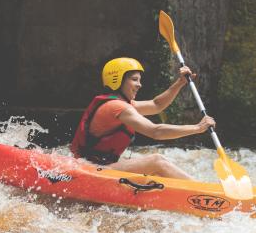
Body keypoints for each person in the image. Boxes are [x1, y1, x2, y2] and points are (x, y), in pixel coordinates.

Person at [70, 57, 215, 180]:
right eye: (134, 79)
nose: (139, 85)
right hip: (91, 169)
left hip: (98, 165)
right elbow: (155, 131)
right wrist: (197, 128)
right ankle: (203, 192)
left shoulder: (121, 104)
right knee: (157, 161)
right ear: (117, 80)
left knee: (155, 170)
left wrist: (180, 83)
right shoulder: (116, 107)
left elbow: (156, 105)